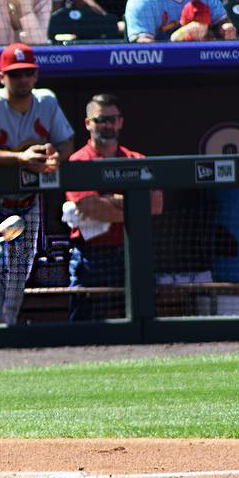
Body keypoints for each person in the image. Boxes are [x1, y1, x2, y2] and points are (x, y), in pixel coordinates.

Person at [0, 43, 74, 325]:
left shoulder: (46, 101)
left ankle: (6, 331)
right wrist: (20, 158)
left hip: (26, 204)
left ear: (35, 75)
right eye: (15, 74)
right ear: (2, 78)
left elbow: (66, 142)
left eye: (27, 73)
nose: (22, 79)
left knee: (17, 278)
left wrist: (55, 157)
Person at [63, 93, 162, 320]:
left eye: (112, 119)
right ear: (88, 123)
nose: (107, 125)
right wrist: (133, 202)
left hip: (131, 252)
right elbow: (92, 208)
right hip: (91, 255)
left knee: (141, 321)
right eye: (100, 120)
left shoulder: (135, 159)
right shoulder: (79, 161)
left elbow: (155, 205)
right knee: (83, 325)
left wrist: (108, 198)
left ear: (120, 122)